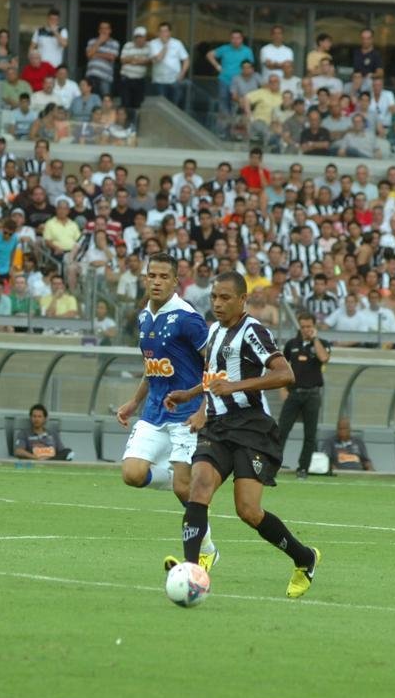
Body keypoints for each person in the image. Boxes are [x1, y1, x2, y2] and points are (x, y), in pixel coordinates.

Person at [162, 272, 321, 598]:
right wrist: (191, 395)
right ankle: (192, 570)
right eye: (214, 298)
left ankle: (304, 557)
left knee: (248, 511)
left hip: (251, 428)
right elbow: (215, 377)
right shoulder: (215, 331)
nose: (218, 304)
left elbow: (284, 373)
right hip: (217, 428)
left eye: (225, 298)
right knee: (198, 487)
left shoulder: (253, 332)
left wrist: (236, 386)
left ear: (242, 300)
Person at [115, 253, 218, 571]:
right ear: (145, 279)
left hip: (186, 414)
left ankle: (207, 550)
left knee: (182, 490)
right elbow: (153, 367)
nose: (156, 282)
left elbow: (213, 365)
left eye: (163, 277)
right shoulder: (144, 317)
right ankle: (178, 477)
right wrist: (134, 402)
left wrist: (204, 408)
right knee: (132, 474)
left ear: (175, 281)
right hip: (154, 411)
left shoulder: (188, 317)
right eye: (152, 276)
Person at [278, 312, 330, 479]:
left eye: (309, 326)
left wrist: (315, 340)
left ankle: (303, 468)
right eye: (303, 327)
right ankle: (273, 467)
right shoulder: (292, 344)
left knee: (310, 434)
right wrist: (282, 389)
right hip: (294, 393)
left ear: (314, 327)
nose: (306, 330)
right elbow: (282, 367)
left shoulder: (322, 343)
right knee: (281, 431)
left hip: (312, 394)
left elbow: (324, 358)